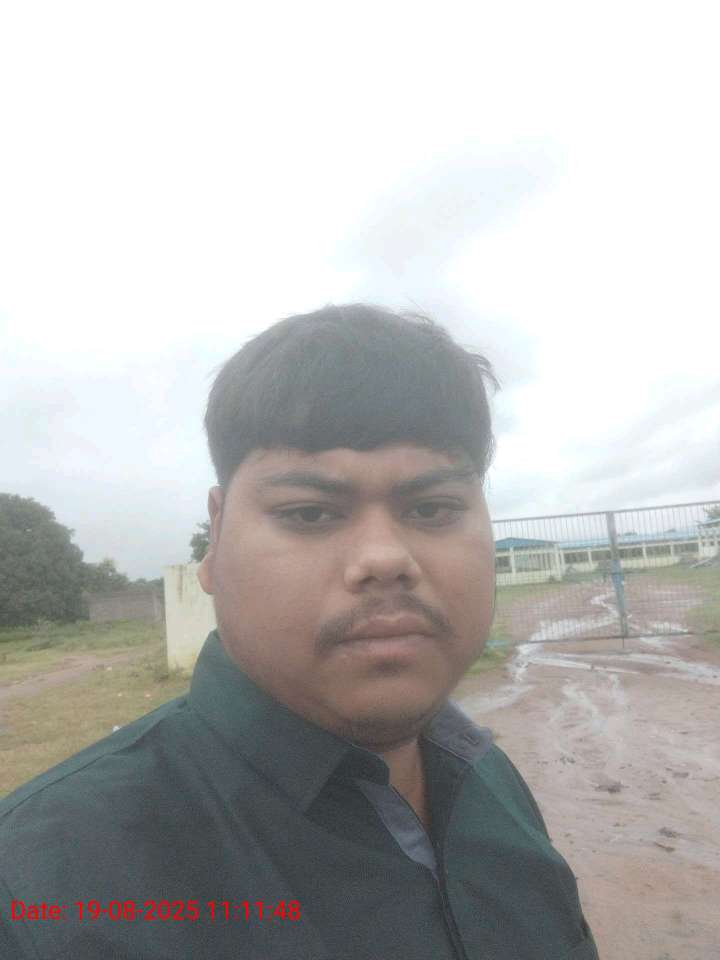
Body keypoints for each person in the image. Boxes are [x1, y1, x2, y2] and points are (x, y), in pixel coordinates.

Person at [0, 304, 599, 959]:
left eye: (432, 508)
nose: (384, 558)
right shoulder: (39, 888)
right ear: (216, 536)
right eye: (310, 513)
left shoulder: (488, 779)